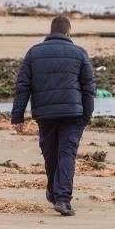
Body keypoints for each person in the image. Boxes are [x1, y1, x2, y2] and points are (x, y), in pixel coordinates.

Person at [11, 16, 95, 216]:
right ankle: (62, 199)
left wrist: (18, 116)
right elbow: (89, 88)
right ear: (68, 32)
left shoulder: (34, 53)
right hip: (73, 113)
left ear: (51, 31)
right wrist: (87, 115)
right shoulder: (79, 53)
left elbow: (23, 86)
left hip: (45, 113)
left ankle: (54, 192)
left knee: (50, 153)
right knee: (66, 154)